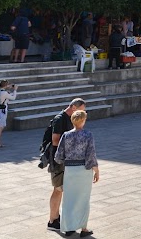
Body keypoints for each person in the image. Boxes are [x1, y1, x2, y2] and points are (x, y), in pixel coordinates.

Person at [53, 110, 99, 238]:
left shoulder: (66, 135)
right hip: (84, 170)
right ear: (83, 121)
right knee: (83, 199)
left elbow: (58, 156)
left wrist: (67, 162)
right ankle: (84, 228)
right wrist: (96, 170)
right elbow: (91, 154)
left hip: (70, 170)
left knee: (69, 199)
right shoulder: (88, 135)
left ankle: (68, 228)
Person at [48, 98, 87, 232]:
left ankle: (57, 218)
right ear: (74, 108)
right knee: (58, 189)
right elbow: (55, 140)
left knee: (62, 190)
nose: (83, 114)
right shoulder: (60, 119)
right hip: (58, 161)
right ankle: (52, 221)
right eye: (82, 110)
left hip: (66, 161)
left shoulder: (71, 119)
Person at [0, 80, 17, 147]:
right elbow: (13, 98)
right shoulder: (4, 93)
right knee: (0, 127)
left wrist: (9, 89)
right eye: (8, 85)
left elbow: (6, 97)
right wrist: (15, 90)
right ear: (5, 85)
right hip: (2, 111)